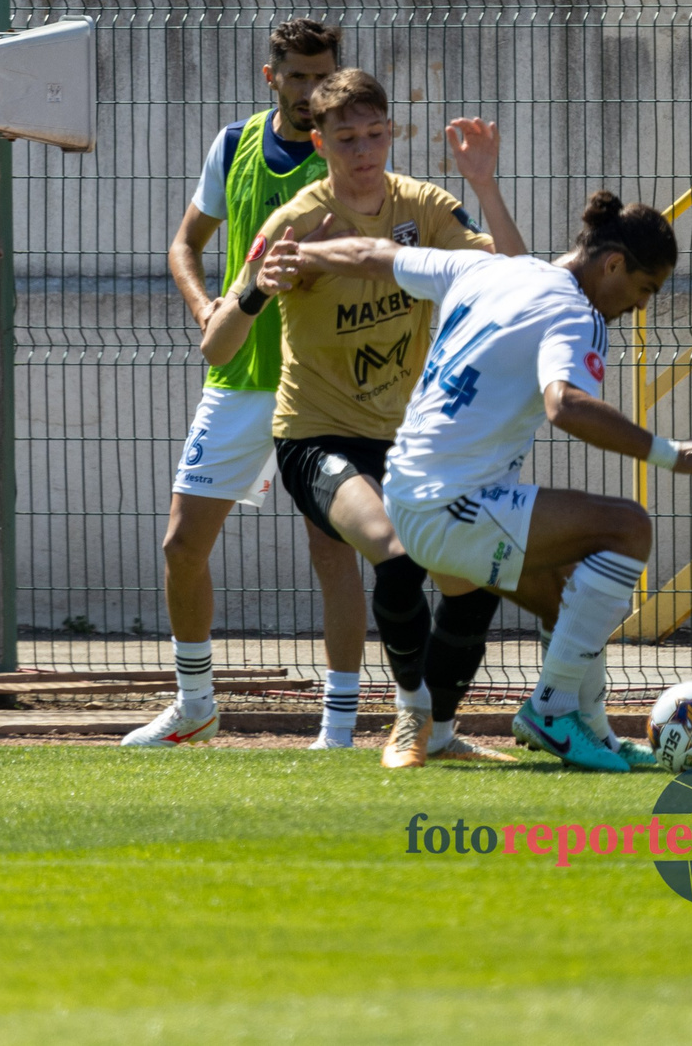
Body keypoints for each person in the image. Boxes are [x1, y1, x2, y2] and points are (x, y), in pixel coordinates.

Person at [257, 188, 692, 772]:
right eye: (645, 289)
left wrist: (306, 256)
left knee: (566, 600)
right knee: (627, 527)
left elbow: (372, 255)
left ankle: (591, 731)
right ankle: (550, 711)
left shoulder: (489, 269)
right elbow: (565, 404)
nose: (641, 306)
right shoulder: (576, 313)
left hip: (412, 494)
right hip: (451, 503)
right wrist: (671, 452)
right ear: (613, 264)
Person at [189, 75, 526, 762]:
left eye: (374, 134)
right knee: (396, 558)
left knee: (475, 582)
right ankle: (409, 715)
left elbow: (518, 278)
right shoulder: (295, 219)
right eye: (346, 138)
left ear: (391, 134)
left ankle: (439, 729)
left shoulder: (423, 206)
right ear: (321, 142)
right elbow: (215, 344)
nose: (363, 150)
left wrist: (485, 183)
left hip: (408, 439)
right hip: (315, 436)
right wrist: (256, 287)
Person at [120, 17, 342, 748]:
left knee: (331, 546)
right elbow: (185, 243)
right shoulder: (234, 143)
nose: (313, 91)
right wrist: (206, 305)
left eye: (324, 75)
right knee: (183, 543)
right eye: (300, 76)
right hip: (242, 375)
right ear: (270, 75)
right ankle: (195, 703)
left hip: (323, 383)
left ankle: (338, 726)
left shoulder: (349, 152)